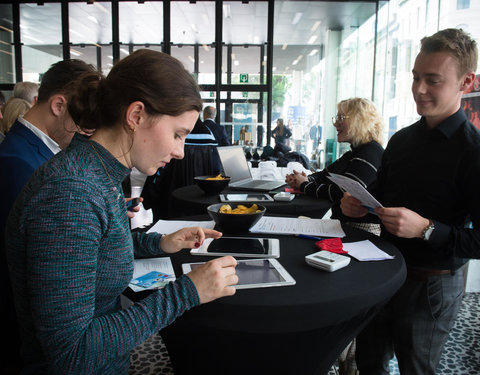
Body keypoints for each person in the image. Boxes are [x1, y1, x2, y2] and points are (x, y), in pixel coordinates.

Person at [5, 49, 238, 374]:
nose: (180, 152)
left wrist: (158, 243)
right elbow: (72, 354)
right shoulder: (70, 192)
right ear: (136, 115)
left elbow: (93, 248)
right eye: (177, 134)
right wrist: (186, 293)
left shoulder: (96, 174)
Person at [340, 28, 480, 375]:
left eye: (433, 81)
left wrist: (427, 229)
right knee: (369, 361)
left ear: (466, 82)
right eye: (416, 78)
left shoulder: (472, 151)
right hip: (383, 270)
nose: (419, 89)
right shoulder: (401, 141)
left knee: (416, 368)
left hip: (431, 284)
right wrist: (358, 205)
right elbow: (383, 198)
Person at [0, 59, 96, 375]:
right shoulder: (19, 163)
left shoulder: (33, 153)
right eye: (81, 117)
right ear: (58, 105)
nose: (85, 130)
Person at [286, 98, 384, 235]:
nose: (335, 123)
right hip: (345, 226)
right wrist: (303, 179)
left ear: (359, 120)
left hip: (360, 231)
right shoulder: (353, 153)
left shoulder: (370, 153)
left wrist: (304, 185)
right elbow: (323, 175)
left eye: (341, 118)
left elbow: (340, 192)